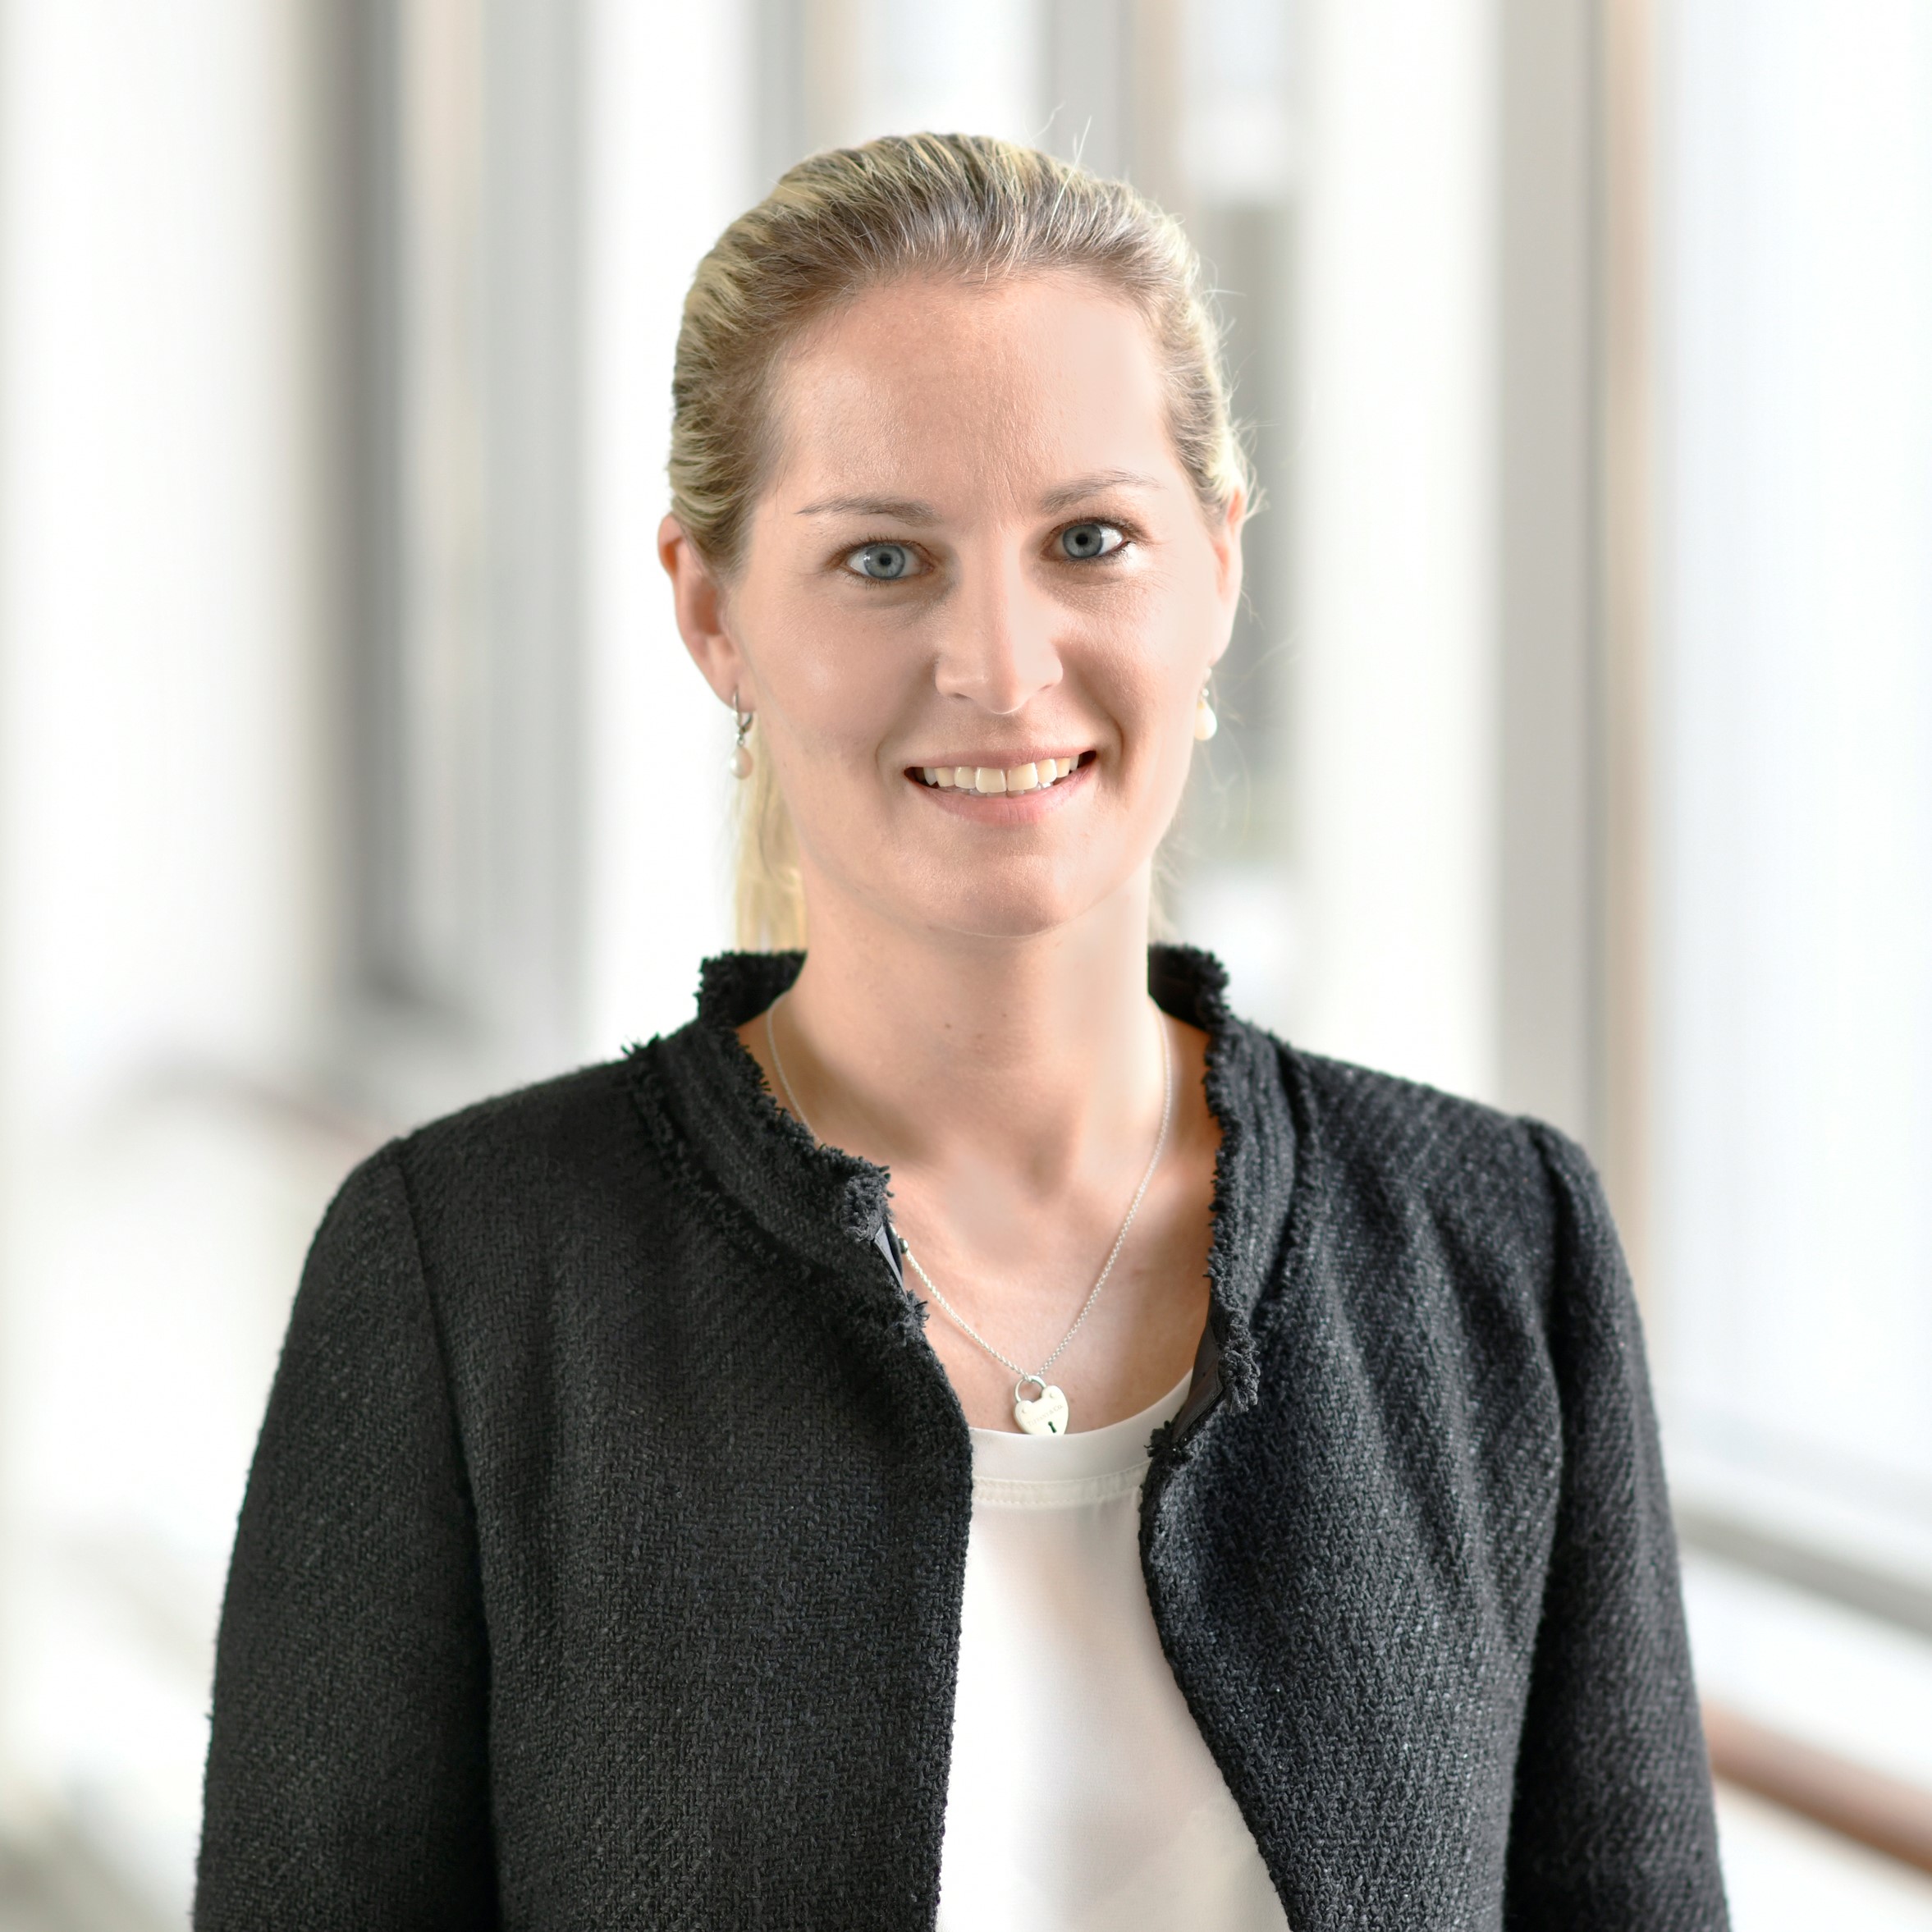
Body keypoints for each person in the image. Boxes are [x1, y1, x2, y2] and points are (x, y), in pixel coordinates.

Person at [195, 134, 1728, 1930]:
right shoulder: (462, 1277)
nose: (1000, 664)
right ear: (712, 609)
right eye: (881, 559)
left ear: (1215, 567)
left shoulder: (1495, 1248)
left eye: (1090, 540)